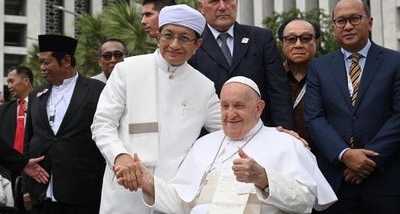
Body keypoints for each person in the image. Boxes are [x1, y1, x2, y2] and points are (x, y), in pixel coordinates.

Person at [119, 76, 337, 213]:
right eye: (225, 106)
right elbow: (182, 204)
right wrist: (149, 184)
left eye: (239, 106)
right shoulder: (203, 145)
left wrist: (263, 178)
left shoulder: (286, 143)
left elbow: (305, 203)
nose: (230, 114)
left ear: (259, 108)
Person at [91, 4, 222, 214]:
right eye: (168, 35)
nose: (174, 44)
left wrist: (274, 136)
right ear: (158, 36)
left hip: (172, 197)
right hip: (125, 191)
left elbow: (228, 130)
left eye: (185, 38)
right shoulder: (127, 69)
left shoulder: (204, 87)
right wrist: (119, 156)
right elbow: (102, 124)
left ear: (197, 44)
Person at [304, 0, 400, 213]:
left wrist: (366, 161)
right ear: (333, 28)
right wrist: (345, 154)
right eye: (340, 21)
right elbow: (315, 118)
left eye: (354, 18)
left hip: (385, 181)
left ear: (370, 22)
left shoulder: (395, 62)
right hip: (337, 182)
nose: (347, 26)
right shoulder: (319, 67)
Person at [188, 0, 295, 130]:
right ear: (202, 7)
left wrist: (285, 134)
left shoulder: (261, 38)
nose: (222, 7)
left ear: (236, 2)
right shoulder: (192, 44)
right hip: (209, 138)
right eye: (214, 1)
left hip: (259, 134)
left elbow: (278, 92)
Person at [24, 34, 106, 214]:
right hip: (42, 190)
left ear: (66, 61)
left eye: (47, 62)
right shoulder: (36, 95)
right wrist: (25, 189)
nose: (42, 68)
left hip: (82, 191)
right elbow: (28, 142)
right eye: (41, 63)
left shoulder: (96, 90)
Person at [277, 18, 320, 152]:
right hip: (282, 155)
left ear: (316, 43)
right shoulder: (272, 78)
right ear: (282, 45)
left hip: (323, 156)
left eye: (306, 38)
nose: (298, 45)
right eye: (291, 39)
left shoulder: (328, 76)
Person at [0, 66, 34, 213]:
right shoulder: (3, 110)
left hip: (35, 171)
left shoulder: (44, 103)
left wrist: (35, 109)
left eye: (12, 81)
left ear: (25, 81)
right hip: (7, 174)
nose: (9, 86)